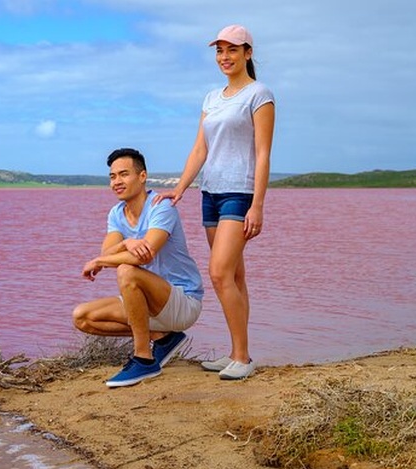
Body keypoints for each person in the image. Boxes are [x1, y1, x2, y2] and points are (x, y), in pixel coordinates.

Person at [154, 24, 275, 380]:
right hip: (210, 194)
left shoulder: (259, 95)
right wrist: (180, 188)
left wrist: (258, 205)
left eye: (232, 49)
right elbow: (200, 149)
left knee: (219, 273)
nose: (225, 56)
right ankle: (237, 353)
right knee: (234, 275)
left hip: (240, 193)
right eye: (220, 50)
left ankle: (243, 359)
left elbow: (263, 153)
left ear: (248, 53)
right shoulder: (211, 98)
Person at [73, 148, 204, 388]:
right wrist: (125, 243)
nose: (116, 182)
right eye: (112, 176)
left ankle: (144, 358)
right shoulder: (116, 214)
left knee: (126, 270)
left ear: (142, 176)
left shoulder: (161, 206)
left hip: (182, 301)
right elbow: (107, 253)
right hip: (147, 304)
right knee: (82, 317)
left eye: (124, 174)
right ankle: (163, 338)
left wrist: (101, 262)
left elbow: (145, 255)